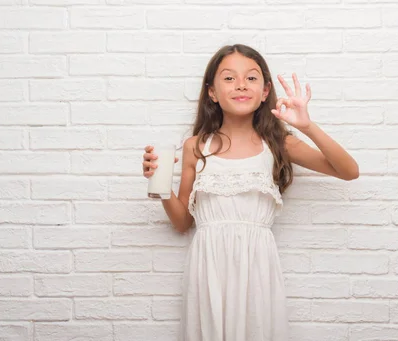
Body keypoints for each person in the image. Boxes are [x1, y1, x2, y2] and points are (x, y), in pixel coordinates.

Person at [142, 44, 359, 341]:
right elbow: (182, 223)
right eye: (229, 78)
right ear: (212, 93)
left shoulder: (278, 143)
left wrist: (307, 126)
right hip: (208, 269)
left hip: (257, 267)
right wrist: (161, 183)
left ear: (266, 91)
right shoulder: (196, 146)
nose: (241, 84)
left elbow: (348, 171)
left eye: (251, 78)